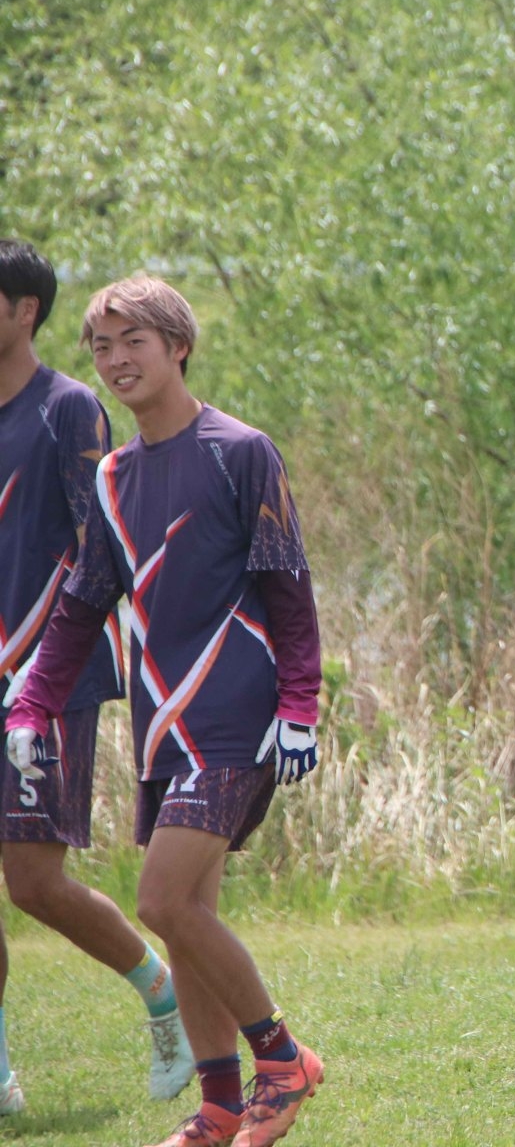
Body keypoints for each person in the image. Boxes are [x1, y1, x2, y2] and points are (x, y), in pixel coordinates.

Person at [4, 276, 325, 1147]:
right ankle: (220, 1105)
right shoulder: (111, 477)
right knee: (190, 920)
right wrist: (32, 704)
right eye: (101, 347)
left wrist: (301, 704)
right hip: (161, 727)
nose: (115, 361)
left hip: (237, 716)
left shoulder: (241, 451)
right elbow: (81, 606)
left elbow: (288, 587)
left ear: (178, 346)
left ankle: (283, 1061)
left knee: (163, 898)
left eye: (133, 342)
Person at [0, 241, 195, 1114]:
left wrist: (41, 673)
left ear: (24, 311)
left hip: (45, 683)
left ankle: (163, 994)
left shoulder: (69, 409)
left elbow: (100, 551)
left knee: (33, 883)